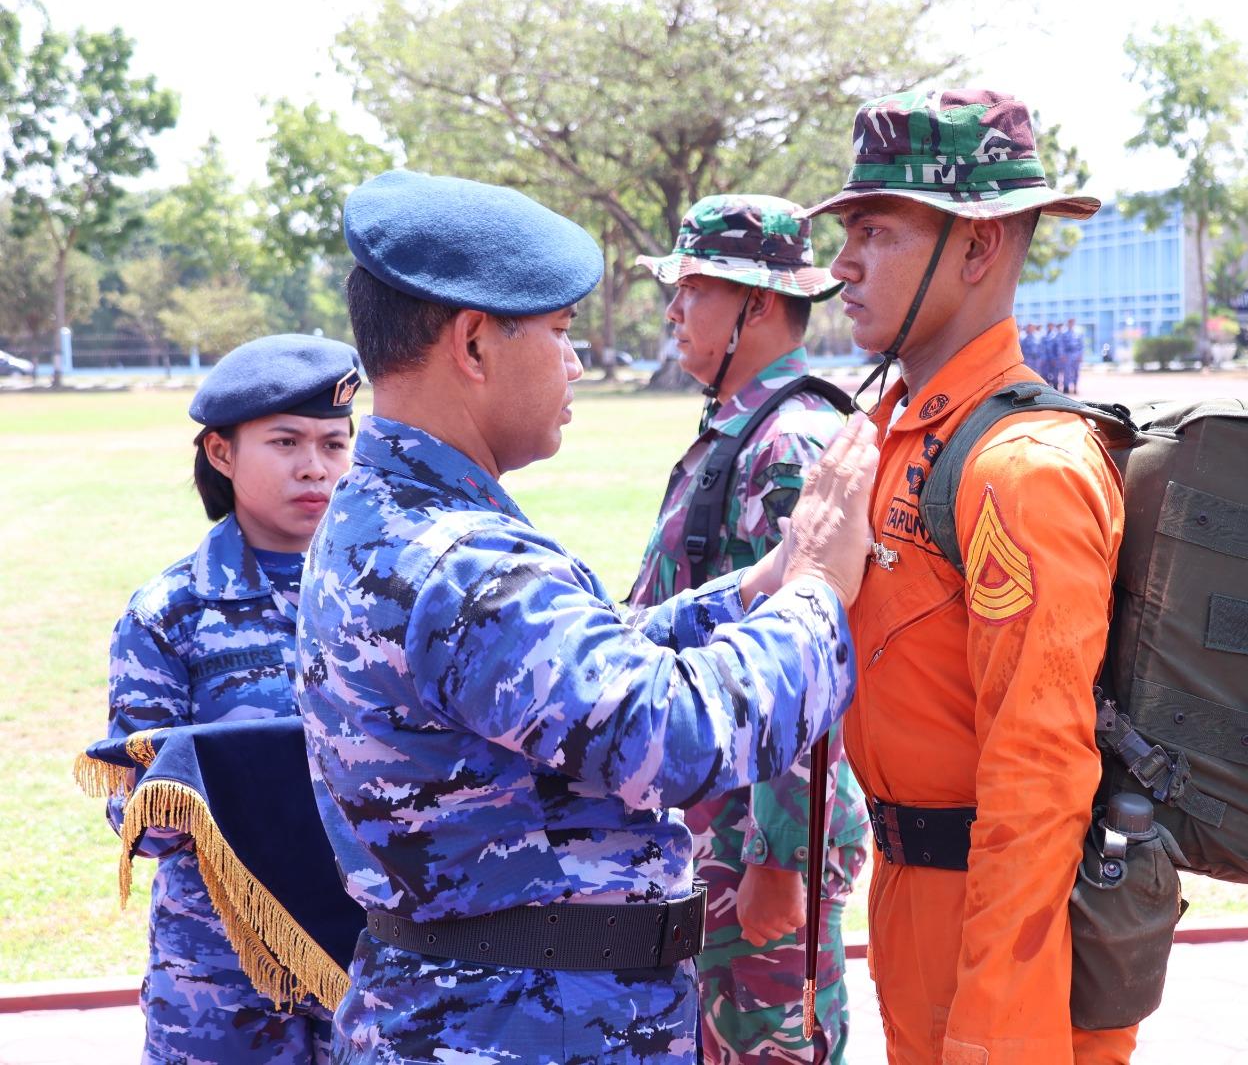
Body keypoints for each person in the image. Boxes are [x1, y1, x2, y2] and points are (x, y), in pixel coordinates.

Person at [296, 169, 879, 1065]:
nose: (575, 361)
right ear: (476, 344)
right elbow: (675, 734)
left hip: (481, 1011)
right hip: (524, 1027)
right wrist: (818, 590)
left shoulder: (388, 511)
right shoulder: (463, 561)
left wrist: (749, 590)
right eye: (561, 333)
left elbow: (575, 671)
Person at [802, 88, 1134, 1064]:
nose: (842, 264)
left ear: (979, 247)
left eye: (875, 230)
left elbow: (1037, 784)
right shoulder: (893, 435)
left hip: (1007, 938)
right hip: (916, 900)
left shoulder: (1020, 467)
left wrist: (994, 1037)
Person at [631, 193, 870, 1064]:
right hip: (716, 834)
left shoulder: (794, 443)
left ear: (757, 304)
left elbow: (816, 654)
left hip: (756, 849)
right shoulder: (746, 429)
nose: (673, 310)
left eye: (693, 288)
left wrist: (782, 856)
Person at [104, 333, 361, 1063]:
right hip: (219, 976)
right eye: (285, 442)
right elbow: (135, 814)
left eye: (334, 444)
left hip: (372, 956)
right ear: (221, 453)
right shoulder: (171, 611)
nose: (314, 467)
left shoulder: (383, 598)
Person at [1061, 316, 1086, 395]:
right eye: (1070, 322)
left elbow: (1082, 345)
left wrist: (1081, 355)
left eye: (1072, 321)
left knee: (1076, 372)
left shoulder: (1078, 333)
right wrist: (1063, 355)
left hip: (1076, 354)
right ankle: (1066, 388)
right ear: (1068, 323)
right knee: (1067, 372)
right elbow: (1061, 345)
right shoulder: (1064, 333)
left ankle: (1075, 387)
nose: (1071, 323)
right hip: (1067, 355)